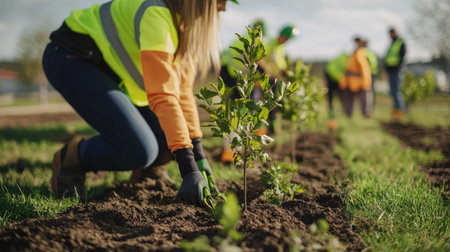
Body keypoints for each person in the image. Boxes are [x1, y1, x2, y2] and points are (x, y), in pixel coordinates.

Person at [42, 0, 237, 207]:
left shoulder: (183, 25)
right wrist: (188, 168)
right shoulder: (157, 14)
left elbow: (183, 93)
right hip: (71, 58)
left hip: (105, 69)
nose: (223, 7)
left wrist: (198, 154)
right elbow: (164, 95)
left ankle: (147, 173)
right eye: (222, 1)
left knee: (166, 139)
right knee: (139, 150)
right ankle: (72, 158)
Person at [219, 19, 267, 164]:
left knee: (232, 116)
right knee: (242, 115)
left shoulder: (239, 40)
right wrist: (263, 75)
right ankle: (237, 150)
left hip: (227, 78)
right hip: (239, 81)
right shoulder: (252, 42)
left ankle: (230, 151)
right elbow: (258, 65)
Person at [260, 24, 300, 134]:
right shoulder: (269, 44)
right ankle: (259, 128)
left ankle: (271, 127)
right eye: (286, 38)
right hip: (262, 79)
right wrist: (266, 71)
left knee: (273, 103)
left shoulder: (280, 48)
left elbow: (281, 65)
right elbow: (260, 59)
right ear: (282, 35)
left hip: (273, 80)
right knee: (261, 103)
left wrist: (288, 73)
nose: (286, 41)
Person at [339, 37, 372, 118]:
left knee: (364, 98)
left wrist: (365, 81)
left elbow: (363, 67)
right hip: (351, 80)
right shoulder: (354, 53)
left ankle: (366, 114)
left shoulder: (360, 53)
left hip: (359, 80)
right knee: (348, 97)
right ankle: (348, 113)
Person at [384, 27, 406, 118]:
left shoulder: (400, 42)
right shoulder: (391, 43)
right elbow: (388, 57)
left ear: (395, 32)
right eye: (390, 33)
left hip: (397, 70)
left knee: (397, 91)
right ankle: (395, 110)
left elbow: (402, 55)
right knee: (392, 91)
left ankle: (401, 110)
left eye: (392, 33)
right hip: (390, 70)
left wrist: (398, 66)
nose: (391, 35)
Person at [324, 52, 349, 121]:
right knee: (332, 95)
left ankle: (342, 109)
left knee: (339, 95)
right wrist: (341, 79)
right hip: (332, 77)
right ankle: (331, 110)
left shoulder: (342, 59)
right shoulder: (344, 61)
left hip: (335, 77)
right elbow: (334, 71)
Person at [361, 39, 379, 109]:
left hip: (368, 74)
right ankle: (370, 108)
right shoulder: (371, 53)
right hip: (372, 73)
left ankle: (368, 108)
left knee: (368, 92)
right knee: (370, 92)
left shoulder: (364, 53)